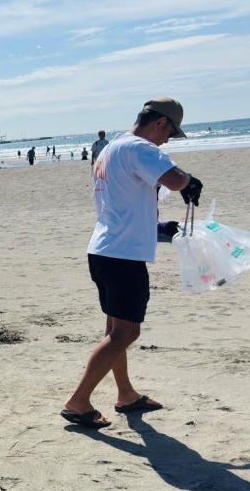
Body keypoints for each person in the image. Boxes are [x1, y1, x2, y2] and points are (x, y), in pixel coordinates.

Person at [62, 98, 203, 428]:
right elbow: (176, 179)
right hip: (122, 256)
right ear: (160, 123)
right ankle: (78, 401)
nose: (167, 141)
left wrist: (158, 228)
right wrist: (189, 181)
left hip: (104, 249)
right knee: (125, 333)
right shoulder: (141, 148)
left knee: (115, 330)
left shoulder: (111, 148)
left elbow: (124, 204)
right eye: (169, 134)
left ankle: (125, 393)